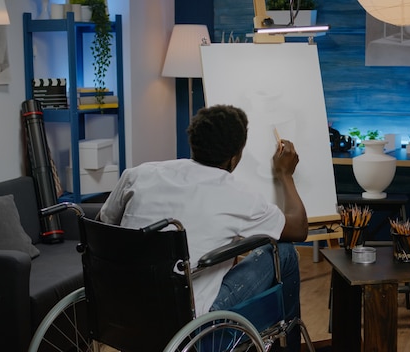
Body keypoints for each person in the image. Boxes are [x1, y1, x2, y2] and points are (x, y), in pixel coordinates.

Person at [98, 104, 308, 350]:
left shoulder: (138, 174)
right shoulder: (235, 194)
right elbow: (299, 228)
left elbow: (104, 226)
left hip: (125, 310)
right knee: (284, 253)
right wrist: (285, 174)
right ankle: (289, 343)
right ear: (234, 157)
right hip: (189, 322)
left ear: (193, 144)